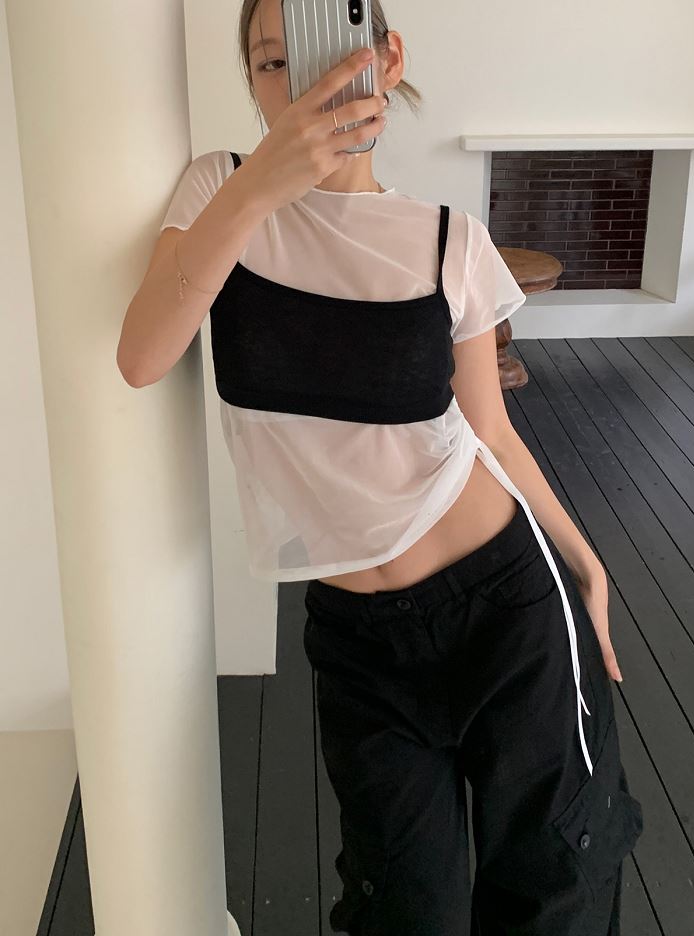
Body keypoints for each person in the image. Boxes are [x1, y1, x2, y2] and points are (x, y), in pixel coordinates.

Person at [117, 1, 644, 933]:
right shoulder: (218, 192)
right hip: (359, 638)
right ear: (252, 85)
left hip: (506, 606)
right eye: (271, 63)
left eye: (323, 52)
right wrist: (260, 188)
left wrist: (585, 560)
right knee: (402, 908)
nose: (299, 83)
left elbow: (492, 434)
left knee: (558, 882)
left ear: (385, 59)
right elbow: (141, 355)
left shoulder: (449, 239)